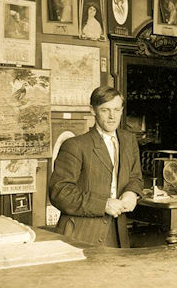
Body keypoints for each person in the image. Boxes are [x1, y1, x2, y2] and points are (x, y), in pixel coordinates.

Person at [49, 86, 143, 248]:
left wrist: (132, 193)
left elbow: (135, 177)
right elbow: (60, 192)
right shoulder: (75, 145)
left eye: (117, 110)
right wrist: (103, 204)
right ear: (92, 110)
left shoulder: (128, 140)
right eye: (105, 110)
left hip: (118, 234)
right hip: (82, 233)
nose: (112, 116)